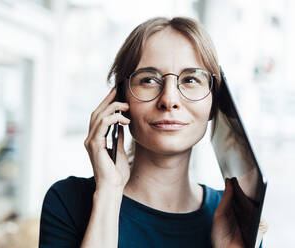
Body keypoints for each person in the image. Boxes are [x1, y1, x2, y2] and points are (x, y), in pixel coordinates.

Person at [39, 16, 267, 248]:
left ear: (214, 102)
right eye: (148, 80)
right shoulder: (68, 201)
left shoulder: (236, 220)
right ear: (121, 99)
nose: (169, 100)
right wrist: (109, 194)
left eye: (190, 79)